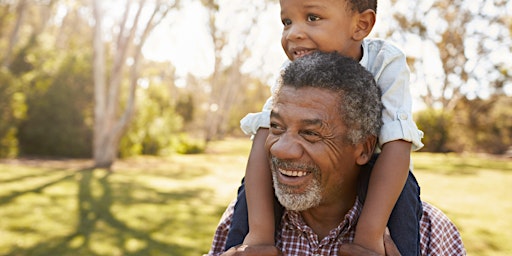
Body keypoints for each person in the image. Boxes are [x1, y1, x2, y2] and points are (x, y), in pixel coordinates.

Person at [208, 51, 465, 256]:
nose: (280, 148)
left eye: (310, 133)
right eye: (276, 127)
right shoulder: (241, 222)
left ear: (364, 148)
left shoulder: (430, 231)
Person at [226, 0, 425, 255]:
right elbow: (264, 133)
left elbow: (398, 142)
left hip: (377, 169)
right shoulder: (291, 71)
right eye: (286, 22)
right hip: (317, 177)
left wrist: (368, 237)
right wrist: (259, 233)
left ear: (361, 25)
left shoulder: (385, 61)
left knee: (404, 187)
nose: (293, 33)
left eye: (312, 18)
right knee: (252, 183)